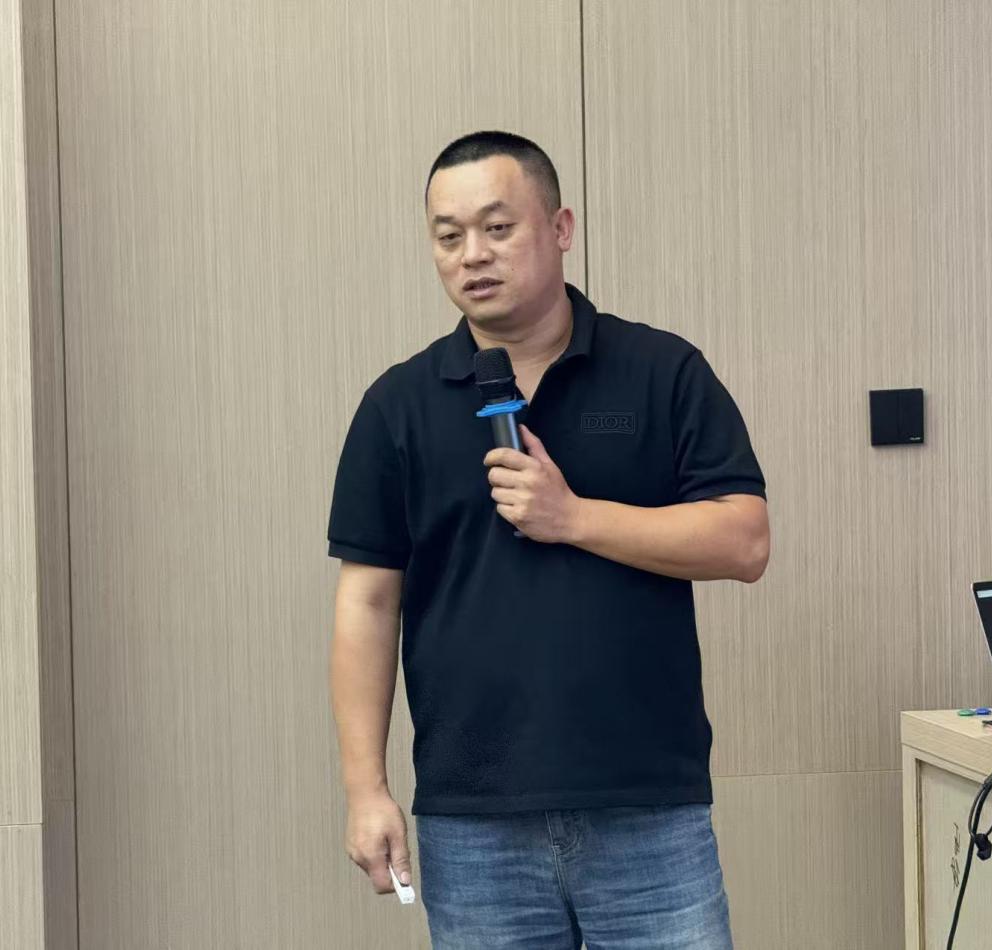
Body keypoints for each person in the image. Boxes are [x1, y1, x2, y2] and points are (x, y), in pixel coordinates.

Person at [327, 130, 769, 949]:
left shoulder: (662, 371)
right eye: (448, 236)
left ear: (561, 228)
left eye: (498, 228)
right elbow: (368, 601)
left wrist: (575, 518)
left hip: (647, 809)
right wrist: (366, 788)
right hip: (474, 823)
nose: (472, 255)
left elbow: (744, 542)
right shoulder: (398, 405)